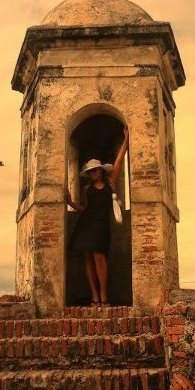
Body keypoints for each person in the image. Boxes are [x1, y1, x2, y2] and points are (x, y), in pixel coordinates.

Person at [66, 125, 129, 306]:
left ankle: (104, 295)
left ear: (101, 170)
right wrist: (71, 203)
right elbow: (86, 208)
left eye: (96, 170)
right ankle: (95, 296)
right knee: (88, 260)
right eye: (91, 171)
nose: (94, 173)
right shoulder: (87, 188)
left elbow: (119, 159)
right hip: (85, 225)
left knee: (99, 257)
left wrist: (126, 140)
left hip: (101, 225)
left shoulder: (111, 183)